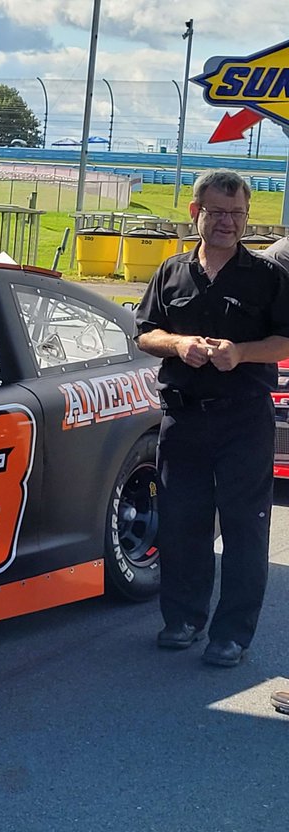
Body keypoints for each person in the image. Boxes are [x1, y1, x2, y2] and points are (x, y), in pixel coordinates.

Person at [134, 169, 289, 667]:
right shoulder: (171, 272)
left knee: (246, 529)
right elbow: (144, 333)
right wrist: (179, 344)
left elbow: (286, 340)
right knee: (181, 524)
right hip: (183, 420)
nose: (228, 222)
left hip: (244, 420)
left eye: (237, 213)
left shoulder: (268, 277)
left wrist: (240, 352)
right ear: (195, 212)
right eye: (218, 212)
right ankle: (183, 619)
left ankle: (232, 635)